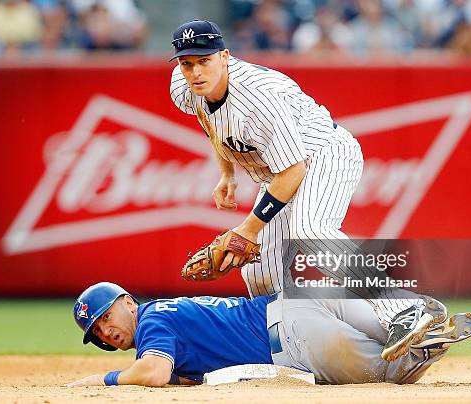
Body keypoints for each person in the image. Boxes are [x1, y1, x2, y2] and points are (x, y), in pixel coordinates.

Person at [168, 19, 438, 361]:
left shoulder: (258, 99)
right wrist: (228, 173)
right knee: (261, 272)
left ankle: (405, 310)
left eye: (203, 60)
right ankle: (285, 351)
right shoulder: (184, 85)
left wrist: (248, 230)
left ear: (224, 56)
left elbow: (293, 170)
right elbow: (210, 123)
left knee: (311, 230)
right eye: (186, 62)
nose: (194, 71)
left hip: (323, 154)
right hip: (278, 171)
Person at [66, 282, 471, 387]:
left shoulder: (153, 323)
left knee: (388, 373)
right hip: (297, 298)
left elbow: (154, 374)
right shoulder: (168, 312)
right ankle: (416, 317)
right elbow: (181, 376)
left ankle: (424, 351)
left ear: (126, 301)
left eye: (105, 317)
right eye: (97, 331)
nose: (107, 331)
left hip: (292, 335)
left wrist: (104, 379)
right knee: (393, 333)